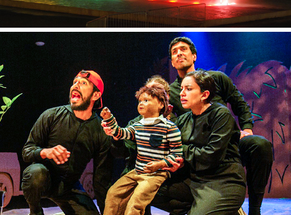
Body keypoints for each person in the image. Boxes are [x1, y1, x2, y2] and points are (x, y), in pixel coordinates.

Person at [168, 36, 272, 215]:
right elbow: (172, 123)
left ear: (194, 56)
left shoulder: (216, 78)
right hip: (198, 146)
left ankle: (255, 209)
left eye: (183, 49)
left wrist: (246, 128)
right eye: (174, 52)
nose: (179, 54)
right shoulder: (170, 92)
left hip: (226, 140)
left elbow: (239, 104)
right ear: (171, 62)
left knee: (260, 145)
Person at [152, 70, 246, 215]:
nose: (182, 93)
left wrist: (181, 150)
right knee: (146, 188)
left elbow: (211, 156)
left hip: (223, 180)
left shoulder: (221, 115)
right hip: (194, 180)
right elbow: (168, 146)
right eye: (182, 89)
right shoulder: (184, 120)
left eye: (188, 89)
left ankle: (226, 208)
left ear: (204, 94)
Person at [21, 70, 113, 215]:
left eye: (83, 83)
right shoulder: (51, 115)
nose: (76, 85)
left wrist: (106, 212)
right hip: (44, 178)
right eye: (74, 82)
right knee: (35, 173)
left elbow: (101, 179)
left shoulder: (101, 131)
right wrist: (46, 152)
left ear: (96, 95)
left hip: (70, 187)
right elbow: (27, 151)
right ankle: (35, 211)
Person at [100, 83, 182, 215]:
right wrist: (109, 119)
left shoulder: (169, 128)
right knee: (113, 193)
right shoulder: (137, 125)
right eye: (140, 101)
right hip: (138, 171)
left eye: (146, 100)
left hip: (157, 173)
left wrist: (160, 164)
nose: (141, 103)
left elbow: (177, 154)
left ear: (161, 104)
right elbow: (121, 133)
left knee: (136, 202)